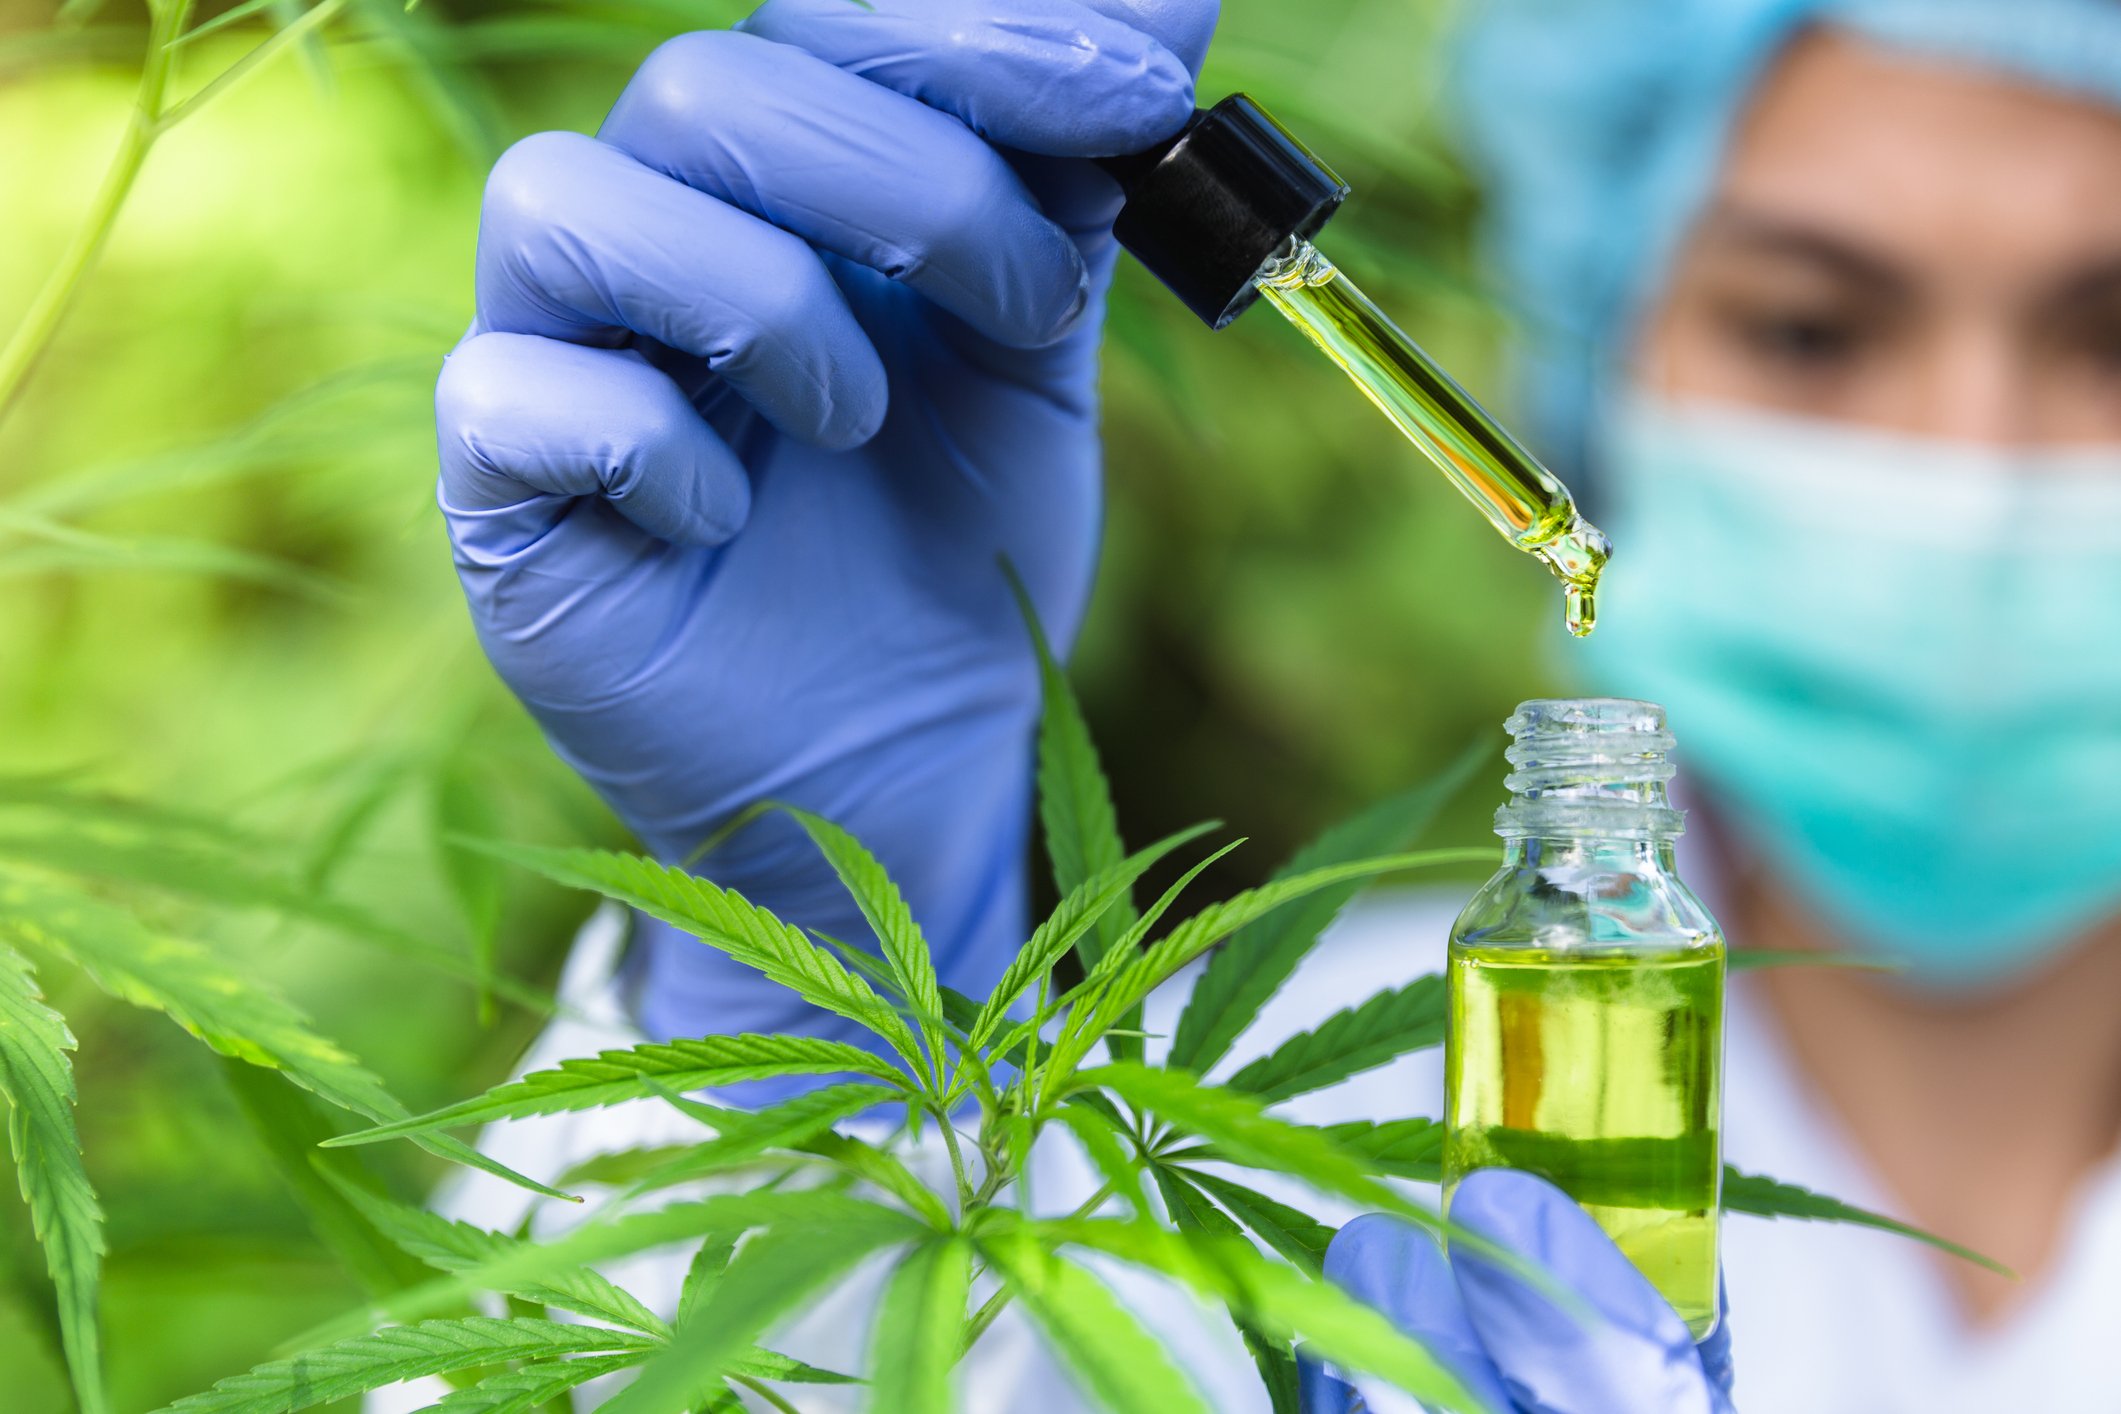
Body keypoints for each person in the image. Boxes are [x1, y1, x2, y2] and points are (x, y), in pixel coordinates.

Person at [415, 0, 2121, 1408]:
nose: (1965, 464)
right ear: (1606, 354)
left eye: (2111, 335)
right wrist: (819, 1050)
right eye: (1810, 328)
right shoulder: (1188, 1134)